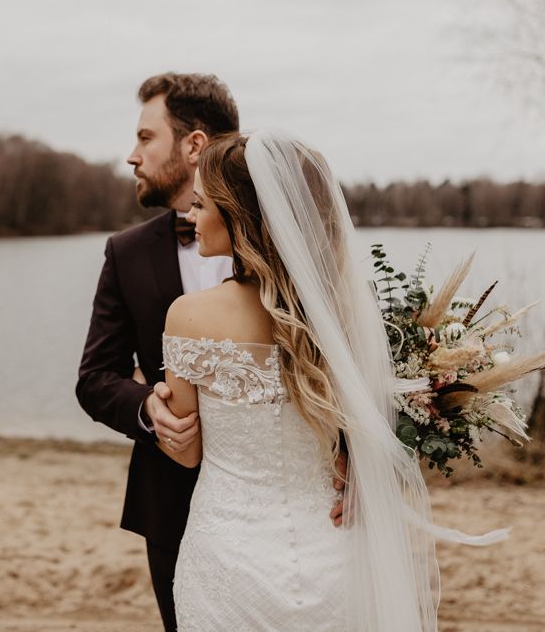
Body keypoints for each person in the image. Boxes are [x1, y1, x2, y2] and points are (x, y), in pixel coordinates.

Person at [159, 130, 442, 631]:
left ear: (240, 217)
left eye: (201, 204)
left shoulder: (188, 317)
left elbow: (186, 451)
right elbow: (383, 424)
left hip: (229, 560)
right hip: (334, 557)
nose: (191, 217)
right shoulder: (346, 319)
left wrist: (157, 406)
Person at [76, 72, 241, 631]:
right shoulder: (125, 253)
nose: (131, 156)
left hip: (283, 498)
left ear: (194, 145)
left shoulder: (282, 243)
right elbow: (96, 377)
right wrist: (149, 407)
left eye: (146, 138)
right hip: (171, 502)